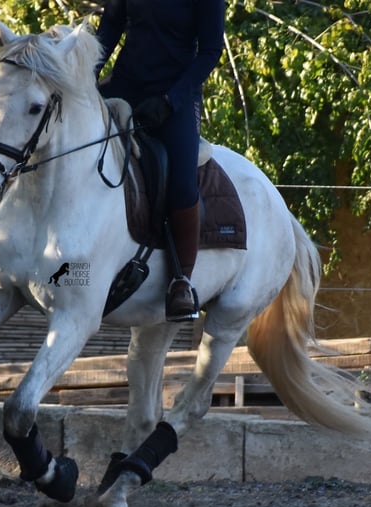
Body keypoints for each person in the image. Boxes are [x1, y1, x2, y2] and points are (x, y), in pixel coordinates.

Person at [95, 0, 225, 322]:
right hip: (125, 83)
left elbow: (210, 52)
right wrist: (85, 77)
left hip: (175, 97)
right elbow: (110, 27)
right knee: (58, 127)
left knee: (181, 183)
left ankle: (181, 281)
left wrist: (171, 101)